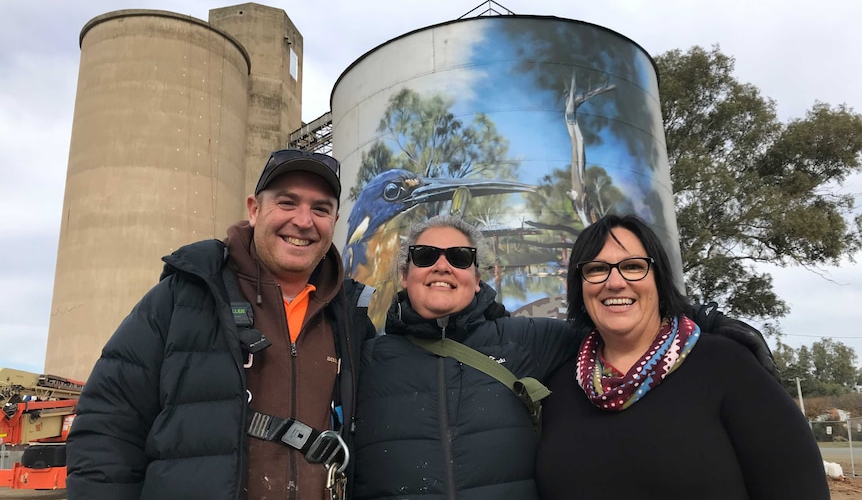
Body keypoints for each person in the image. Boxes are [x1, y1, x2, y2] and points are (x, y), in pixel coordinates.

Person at [349, 215, 780, 500]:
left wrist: (711, 323)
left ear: (476, 280)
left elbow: (619, 314)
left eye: (460, 257)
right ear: (405, 275)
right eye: (426, 256)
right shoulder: (366, 358)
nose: (442, 266)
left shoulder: (528, 340)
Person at [66, 149, 376, 500]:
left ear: (334, 222)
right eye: (287, 203)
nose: (304, 221)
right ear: (254, 210)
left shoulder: (349, 318)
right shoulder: (184, 298)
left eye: (320, 209)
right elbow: (106, 428)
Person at [535, 214, 829, 499]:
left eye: (634, 266)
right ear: (580, 285)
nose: (614, 282)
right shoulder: (560, 387)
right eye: (597, 269)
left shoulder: (727, 366)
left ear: (660, 280)